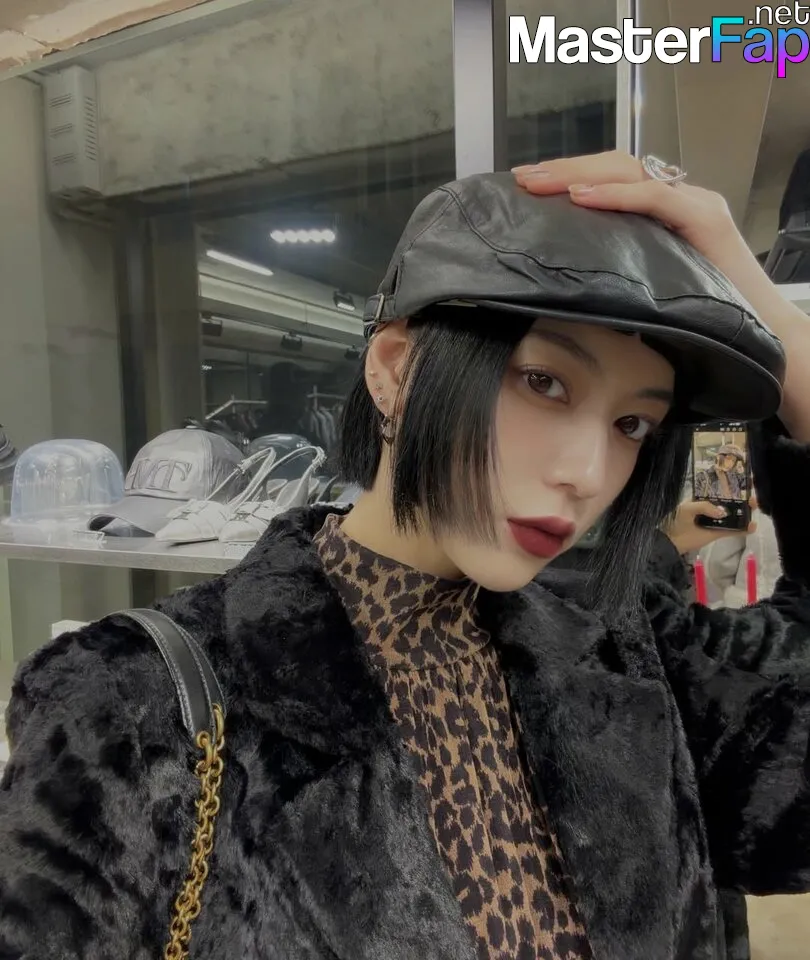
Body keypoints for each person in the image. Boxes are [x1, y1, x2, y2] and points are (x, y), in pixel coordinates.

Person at [2, 151, 810, 960]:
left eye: (632, 424)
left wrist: (750, 284)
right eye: (544, 382)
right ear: (395, 370)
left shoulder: (624, 649)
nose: (588, 473)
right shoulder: (132, 708)